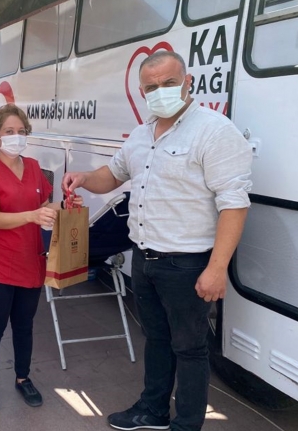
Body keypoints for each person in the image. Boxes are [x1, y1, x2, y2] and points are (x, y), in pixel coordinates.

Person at [62, 51, 252, 431]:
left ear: (188, 83)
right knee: (156, 339)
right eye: (151, 87)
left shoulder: (214, 131)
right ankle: (153, 410)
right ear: (142, 91)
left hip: (188, 264)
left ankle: (186, 423)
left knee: (190, 349)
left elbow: (234, 204)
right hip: (145, 258)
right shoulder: (140, 134)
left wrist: (216, 270)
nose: (160, 92)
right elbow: (112, 175)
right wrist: (84, 177)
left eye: (168, 83)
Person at [0, 104, 82, 415]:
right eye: (9, 132)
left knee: (24, 326)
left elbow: (45, 209)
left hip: (31, 262)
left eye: (21, 132)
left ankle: (23, 378)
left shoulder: (33, 167)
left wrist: (67, 205)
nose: (16, 137)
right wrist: (33, 214)